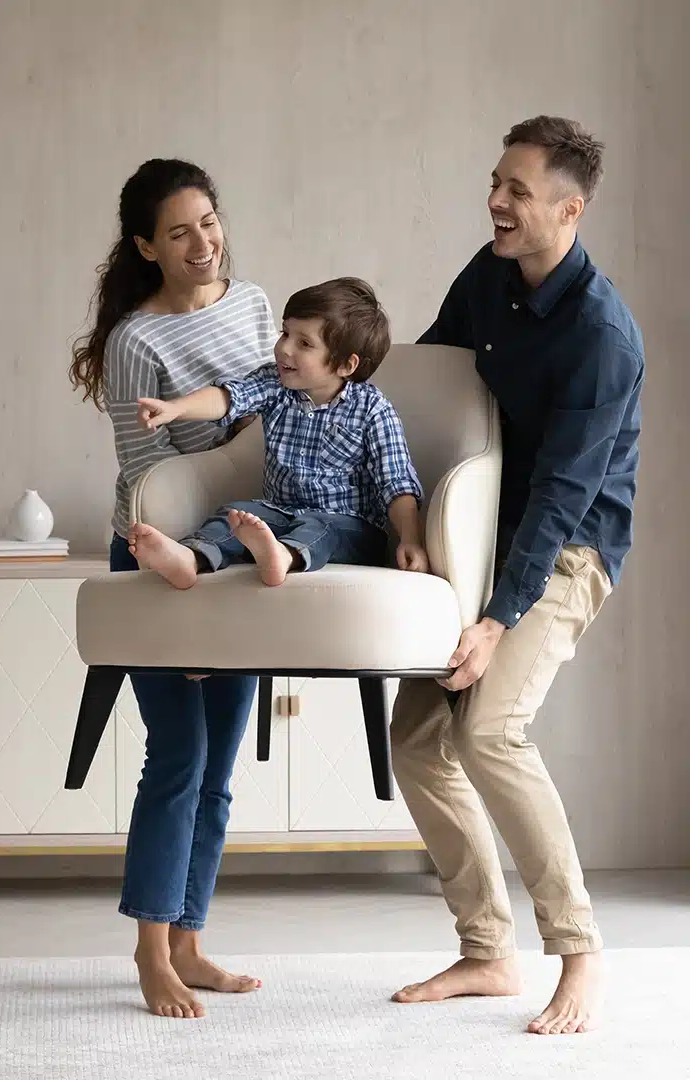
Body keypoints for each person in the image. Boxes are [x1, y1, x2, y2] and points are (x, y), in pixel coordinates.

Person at [390, 116, 644, 1035]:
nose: (496, 201)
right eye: (496, 182)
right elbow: (423, 382)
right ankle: (486, 952)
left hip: (566, 549)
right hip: (475, 537)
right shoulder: (489, 274)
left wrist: (496, 619)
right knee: (418, 738)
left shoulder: (604, 336)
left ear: (569, 209)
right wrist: (403, 520)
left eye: (519, 191)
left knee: (491, 728)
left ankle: (579, 951)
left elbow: (562, 501)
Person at [69, 158, 278, 1019]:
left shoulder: (258, 305)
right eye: (181, 230)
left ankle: (191, 943)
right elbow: (151, 476)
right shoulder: (136, 343)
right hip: (161, 560)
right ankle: (151, 949)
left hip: (238, 557)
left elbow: (282, 412)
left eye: (210, 220)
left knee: (219, 768)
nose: (203, 242)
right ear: (147, 246)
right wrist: (186, 596)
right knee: (178, 758)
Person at [128, 277, 428, 587]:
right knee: (234, 513)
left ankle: (283, 557)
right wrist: (177, 408)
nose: (283, 348)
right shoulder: (276, 385)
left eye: (304, 343)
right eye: (285, 332)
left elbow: (397, 483)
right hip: (280, 514)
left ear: (345, 365)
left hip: (351, 528)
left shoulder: (372, 410)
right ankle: (190, 559)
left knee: (320, 526)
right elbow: (230, 397)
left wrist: (411, 539)